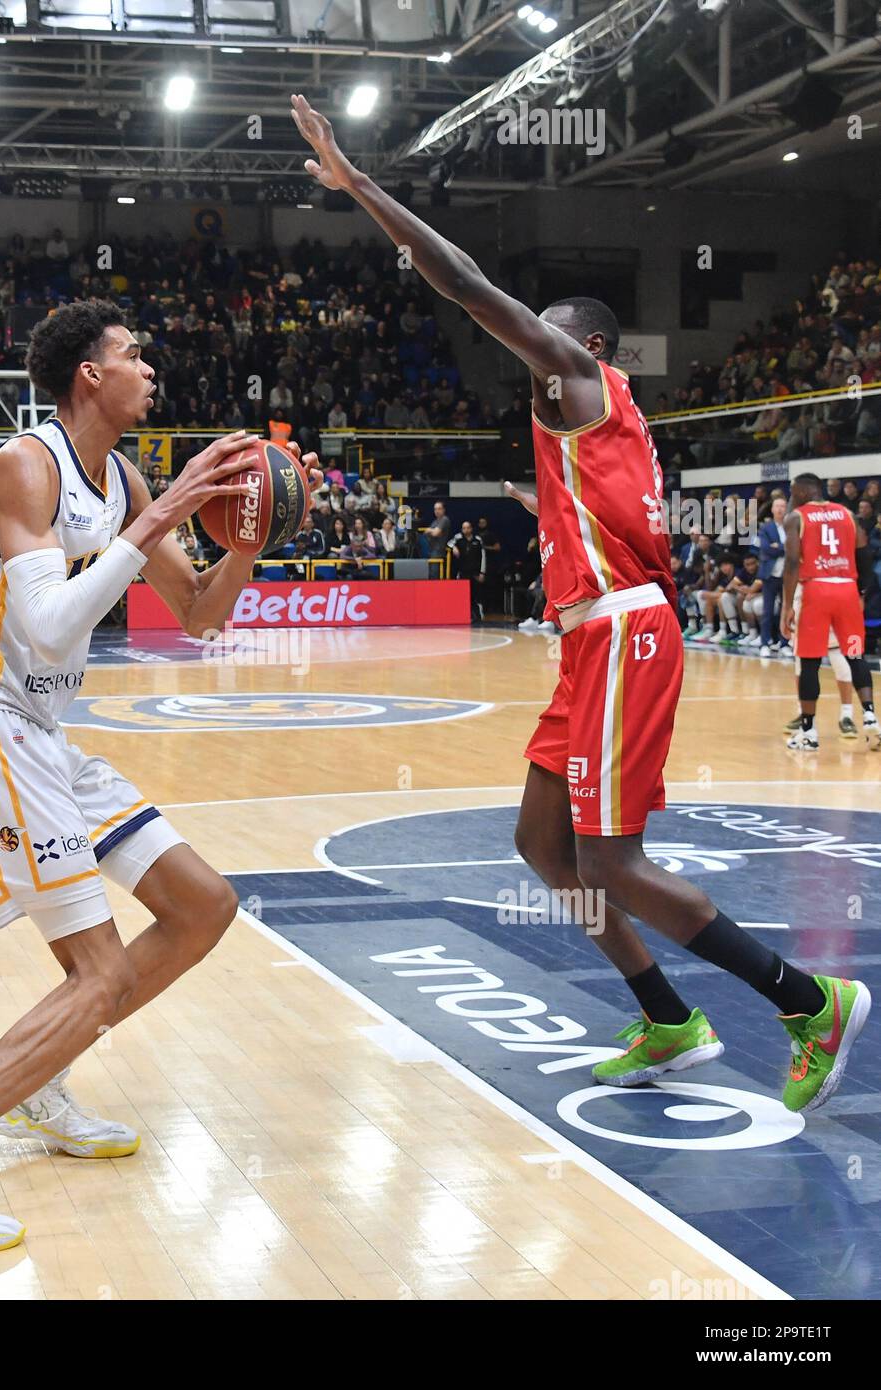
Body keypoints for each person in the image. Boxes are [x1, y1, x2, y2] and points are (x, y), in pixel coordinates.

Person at [291, 91, 869, 1114]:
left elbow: (465, 284)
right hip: (590, 641)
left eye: (547, 335)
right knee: (540, 846)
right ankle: (664, 1017)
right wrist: (542, 507)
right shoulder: (596, 429)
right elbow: (593, 507)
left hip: (621, 640)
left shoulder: (579, 379)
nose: (531, 347)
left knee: (613, 859)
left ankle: (805, 999)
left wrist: (358, 184)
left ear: (587, 349)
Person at [0, 299, 320, 1256]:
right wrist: (169, 510)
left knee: (203, 905)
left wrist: (245, 538)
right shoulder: (25, 466)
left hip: (43, 731)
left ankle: (40, 1083)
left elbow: (201, 612)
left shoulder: (121, 476)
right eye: (134, 355)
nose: (149, 369)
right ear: (90, 374)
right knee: (95, 978)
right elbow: (48, 625)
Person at [781, 471, 880, 751]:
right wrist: (860, 592)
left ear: (801, 492)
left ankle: (809, 732)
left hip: (817, 590)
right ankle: (871, 719)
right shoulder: (847, 514)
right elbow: (864, 553)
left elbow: (791, 563)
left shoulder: (797, 517)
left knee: (810, 661)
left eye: (792, 491)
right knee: (855, 654)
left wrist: (787, 606)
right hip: (847, 589)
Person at [757, 496, 788, 656]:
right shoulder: (765, 528)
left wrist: (779, 546)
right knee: (767, 611)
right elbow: (766, 549)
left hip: (787, 576)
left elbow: (796, 547)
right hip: (770, 575)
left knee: (786, 611)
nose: (780, 509)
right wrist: (784, 548)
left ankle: (784, 643)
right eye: (777, 506)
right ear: (772, 509)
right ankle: (764, 643)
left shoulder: (791, 527)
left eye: (783, 506)